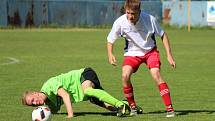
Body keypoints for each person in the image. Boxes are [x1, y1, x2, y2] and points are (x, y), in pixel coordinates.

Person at [107, 0, 176, 118]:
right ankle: (133, 107)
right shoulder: (120, 22)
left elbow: (163, 35)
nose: (130, 16)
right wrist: (110, 54)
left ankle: (169, 109)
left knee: (156, 74)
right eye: (128, 13)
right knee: (125, 76)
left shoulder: (150, 19)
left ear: (139, 11)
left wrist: (169, 55)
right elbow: (110, 39)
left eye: (133, 13)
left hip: (150, 52)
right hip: (132, 54)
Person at [22, 67, 131, 118]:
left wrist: (70, 114)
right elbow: (54, 111)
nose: (35, 103)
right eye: (32, 104)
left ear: (35, 93)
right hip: (86, 93)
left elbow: (65, 95)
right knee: (109, 108)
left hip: (83, 75)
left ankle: (120, 104)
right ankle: (128, 106)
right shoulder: (49, 103)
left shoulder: (48, 86)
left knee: (88, 91)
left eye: (33, 100)